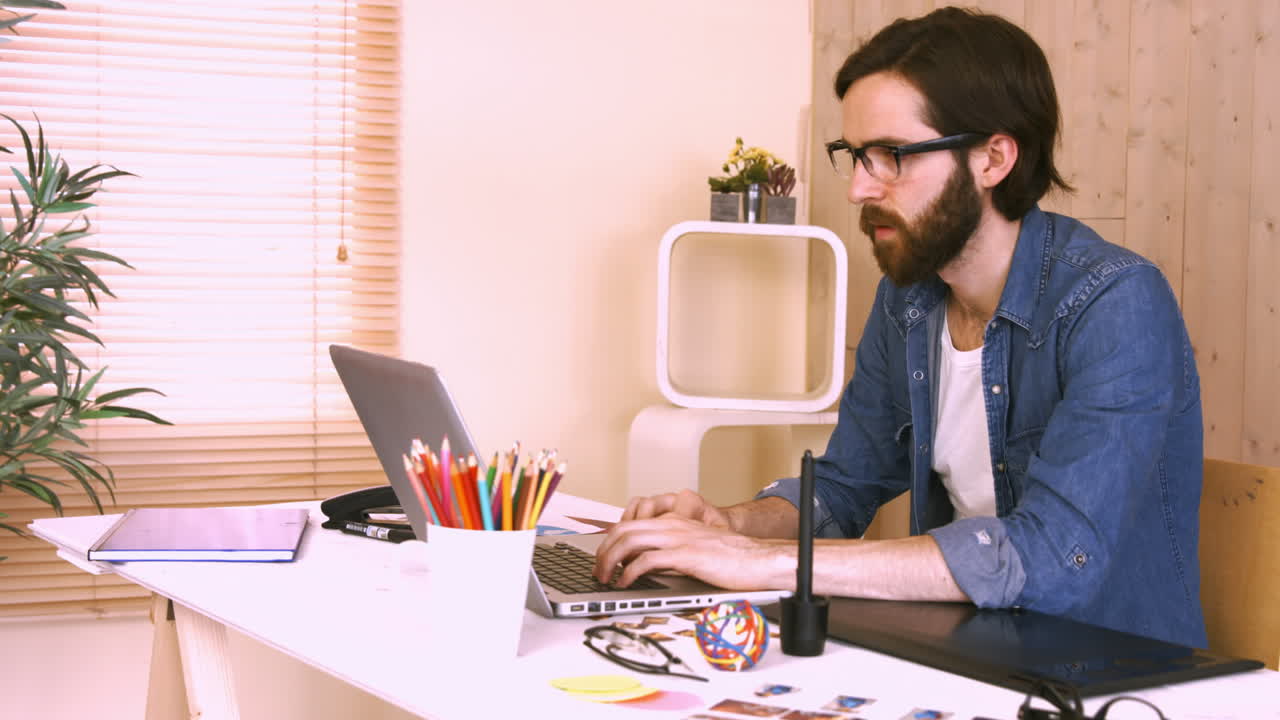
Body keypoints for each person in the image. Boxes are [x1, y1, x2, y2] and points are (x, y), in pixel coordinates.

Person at [594, 6, 1206, 647]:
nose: (860, 188)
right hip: (967, 652)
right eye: (854, 155)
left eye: (890, 155)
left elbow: (1052, 555)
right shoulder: (908, 299)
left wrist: (762, 564)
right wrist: (728, 524)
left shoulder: (1115, 303)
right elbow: (845, 486)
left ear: (993, 158)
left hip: (1108, 677)